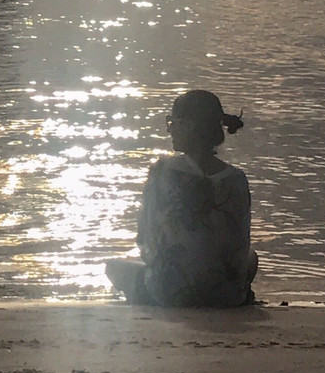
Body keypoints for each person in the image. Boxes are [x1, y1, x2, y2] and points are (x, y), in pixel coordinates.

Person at [106, 89, 258, 307]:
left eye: (172, 122)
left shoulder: (162, 171)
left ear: (188, 126)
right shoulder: (237, 179)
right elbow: (239, 251)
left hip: (171, 291)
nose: (170, 131)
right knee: (252, 258)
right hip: (224, 295)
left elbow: (146, 241)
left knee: (113, 267)